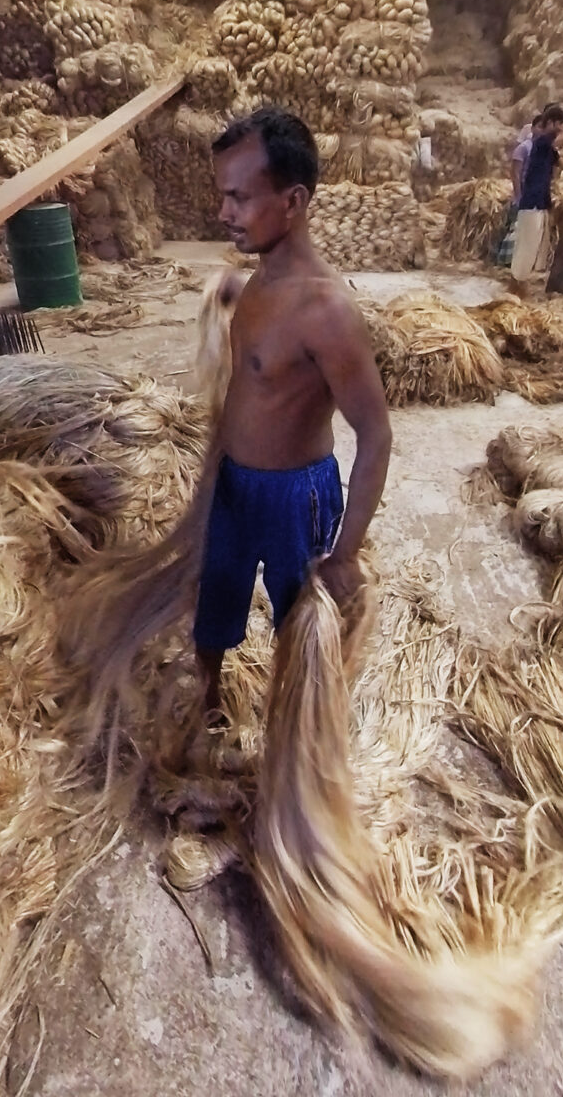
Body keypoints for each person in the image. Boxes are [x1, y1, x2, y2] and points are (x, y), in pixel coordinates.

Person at [193, 107, 393, 733]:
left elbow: (376, 434)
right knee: (213, 601)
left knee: (299, 623)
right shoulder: (259, 282)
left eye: (240, 197)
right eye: (222, 194)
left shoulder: (327, 310)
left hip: (293, 496)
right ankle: (205, 700)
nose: (225, 212)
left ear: (294, 200)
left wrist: (347, 551)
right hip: (234, 485)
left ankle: (295, 734)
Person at [510, 103, 563, 283]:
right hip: (531, 202)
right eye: (560, 124)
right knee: (526, 248)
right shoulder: (542, 142)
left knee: (534, 249)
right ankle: (515, 287)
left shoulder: (549, 149)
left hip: (541, 202)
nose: (562, 129)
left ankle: (520, 286)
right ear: (552, 123)